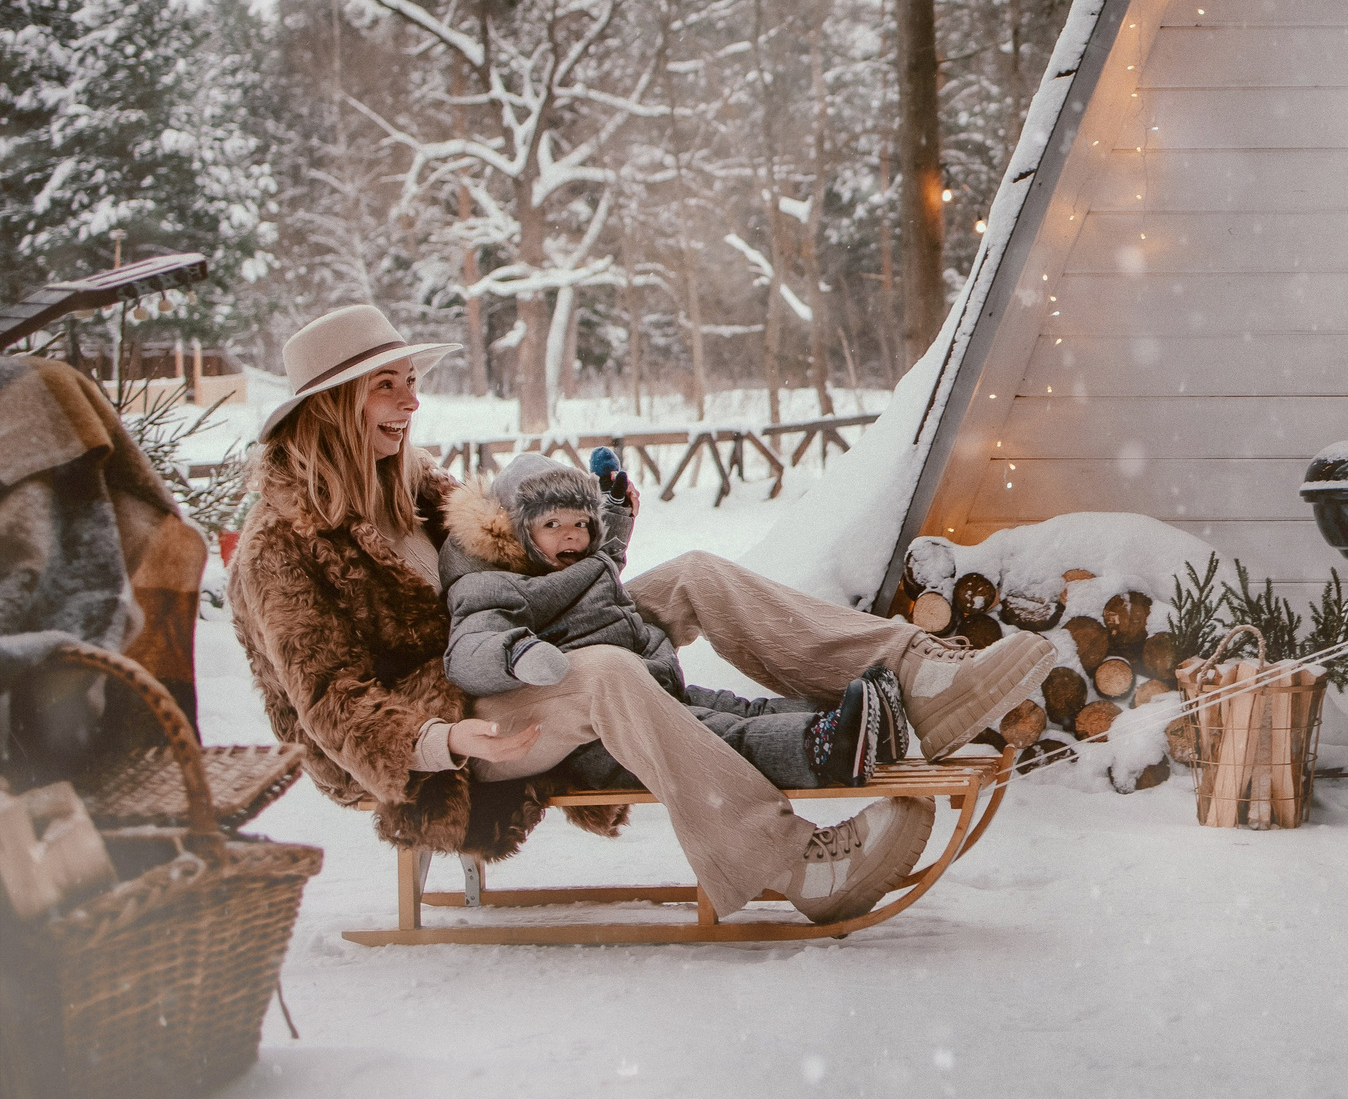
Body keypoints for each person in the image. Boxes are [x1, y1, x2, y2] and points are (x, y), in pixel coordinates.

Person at [230, 305, 1054, 923]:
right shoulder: (281, 544)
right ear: (333, 402)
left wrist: (590, 541)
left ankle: (913, 676)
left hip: (515, 653)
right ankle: (794, 863)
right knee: (610, 673)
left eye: (412, 382)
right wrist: (442, 740)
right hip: (436, 727)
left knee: (694, 575)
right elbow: (327, 702)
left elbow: (514, 571)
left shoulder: (416, 490)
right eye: (386, 385)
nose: (410, 402)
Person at [439, 451, 899, 792]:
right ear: (518, 530)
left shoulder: (568, 561)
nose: (571, 535)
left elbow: (602, 559)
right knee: (721, 734)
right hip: (601, 733)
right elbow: (469, 647)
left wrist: (614, 508)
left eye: (581, 522)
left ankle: (861, 728)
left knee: (738, 708)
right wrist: (517, 654)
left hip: (650, 685)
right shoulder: (497, 583)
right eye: (552, 523)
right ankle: (816, 750)